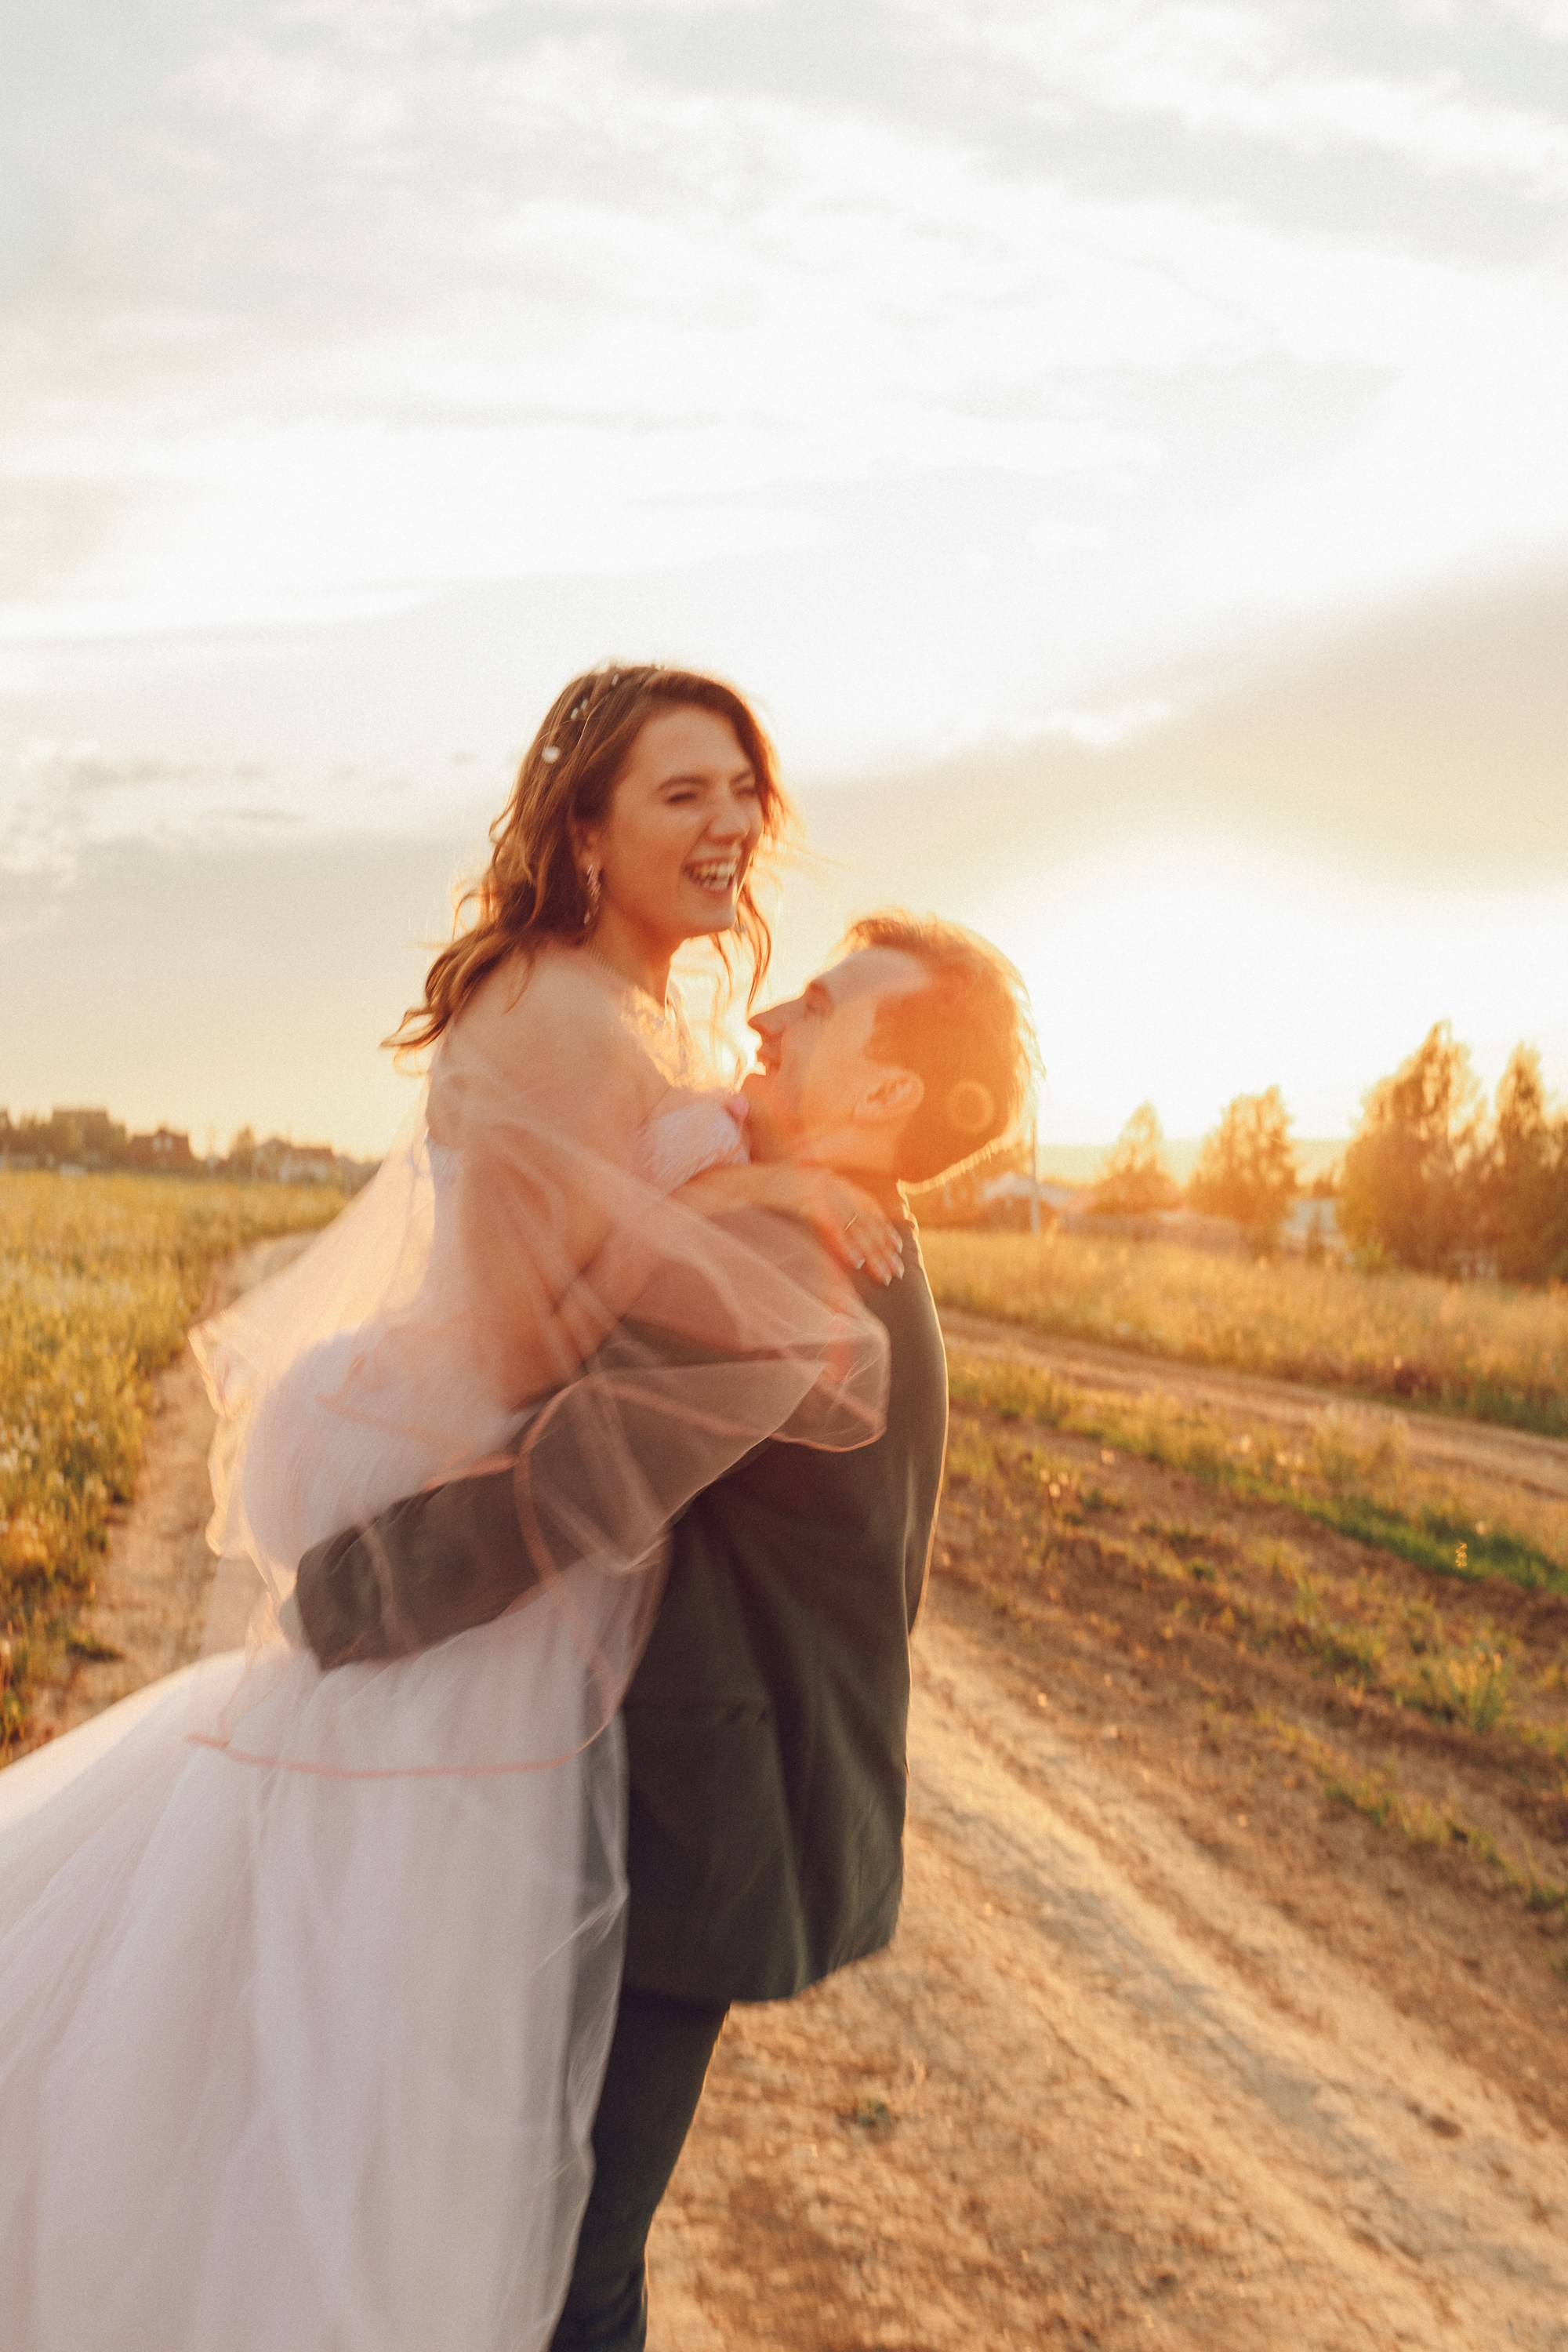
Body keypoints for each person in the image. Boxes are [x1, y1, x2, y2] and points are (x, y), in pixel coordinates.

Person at [0, 664, 908, 2352]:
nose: (727, 829)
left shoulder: (641, 1015)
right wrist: (747, 1195)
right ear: (585, 828)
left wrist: (734, 1175)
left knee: (377, 2008)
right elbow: (511, 1334)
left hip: (486, 1474)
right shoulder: (564, 1011)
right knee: (408, 2046)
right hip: (452, 1472)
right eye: (679, 795)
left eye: (740, 795)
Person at [292, 910, 1036, 2352]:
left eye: (818, 1010)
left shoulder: (807, 1281)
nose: (766, 1023)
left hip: (711, 1822)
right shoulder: (819, 1229)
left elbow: (561, 1495)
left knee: (570, 2261)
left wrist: (333, 1603)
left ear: (885, 1098)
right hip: (719, 1799)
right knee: (549, 2229)